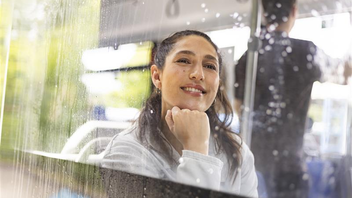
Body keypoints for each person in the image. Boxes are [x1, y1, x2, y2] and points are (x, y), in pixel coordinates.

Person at [102, 30, 258, 197]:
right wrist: (196, 149)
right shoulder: (126, 152)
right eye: (184, 61)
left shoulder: (237, 151)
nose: (198, 74)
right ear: (157, 76)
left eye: (210, 66)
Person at [234, 0, 350, 198]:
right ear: (294, 11)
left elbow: (239, 107)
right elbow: (343, 73)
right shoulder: (306, 52)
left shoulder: (249, 57)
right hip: (290, 166)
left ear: (263, 13)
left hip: (254, 162)